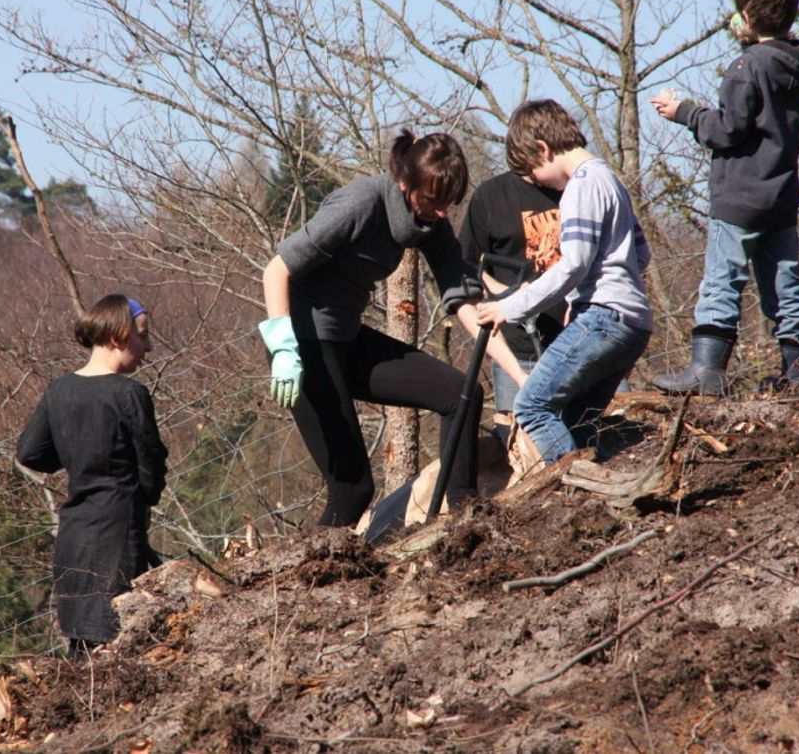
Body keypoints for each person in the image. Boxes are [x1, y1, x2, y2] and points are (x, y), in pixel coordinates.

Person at [259, 129, 483, 527]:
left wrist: (519, 373)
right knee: (352, 490)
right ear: (404, 181)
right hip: (302, 344)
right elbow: (277, 269)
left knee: (462, 395)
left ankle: (466, 523)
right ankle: (307, 582)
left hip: (346, 338)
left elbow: (461, 297)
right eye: (432, 200)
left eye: (449, 202)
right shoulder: (360, 204)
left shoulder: (426, 221)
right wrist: (282, 349)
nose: (442, 212)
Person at [650, 0, 799, 396]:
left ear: (745, 15)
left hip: (739, 196)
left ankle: (706, 371)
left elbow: (726, 128)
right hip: (779, 197)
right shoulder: (793, 64)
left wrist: (684, 112)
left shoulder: (746, 67)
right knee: (785, 284)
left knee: (721, 281)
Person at [475, 100, 652, 469]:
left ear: (543, 148)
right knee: (577, 421)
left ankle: (576, 491)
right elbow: (642, 252)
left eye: (534, 171)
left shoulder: (581, 186)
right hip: (633, 323)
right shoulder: (610, 180)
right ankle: (602, 487)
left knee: (532, 406)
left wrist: (509, 307)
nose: (538, 181)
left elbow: (572, 264)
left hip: (604, 318)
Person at [16, 294, 168, 657]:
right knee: (119, 634)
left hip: (74, 531)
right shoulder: (130, 394)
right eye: (142, 336)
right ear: (118, 336)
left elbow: (30, 453)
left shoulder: (59, 391)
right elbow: (150, 467)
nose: (148, 346)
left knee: (81, 637)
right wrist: (144, 494)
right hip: (118, 530)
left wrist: (74, 454)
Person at [458, 139, 566, 447]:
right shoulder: (491, 196)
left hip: (578, 344)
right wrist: (511, 294)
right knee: (518, 448)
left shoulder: (574, 188)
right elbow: (467, 266)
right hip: (518, 352)